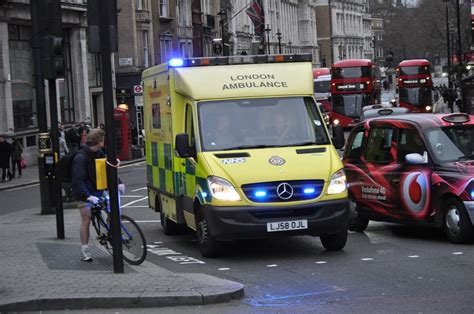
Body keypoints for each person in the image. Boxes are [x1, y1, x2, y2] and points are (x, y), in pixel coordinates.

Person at [71, 128, 125, 261]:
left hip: (98, 190)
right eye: (103, 141)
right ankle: (85, 251)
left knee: (112, 211)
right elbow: (78, 180)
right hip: (85, 194)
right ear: (99, 142)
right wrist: (87, 196)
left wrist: (118, 182)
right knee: (86, 219)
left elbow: (108, 169)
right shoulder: (80, 157)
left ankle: (112, 234)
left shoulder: (99, 153)